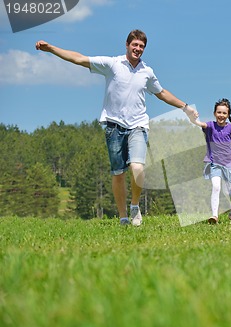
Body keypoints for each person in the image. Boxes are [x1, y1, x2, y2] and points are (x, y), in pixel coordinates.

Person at [35, 29, 198, 226]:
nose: (138, 49)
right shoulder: (112, 64)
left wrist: (185, 107)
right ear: (127, 45)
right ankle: (123, 217)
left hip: (138, 125)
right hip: (113, 127)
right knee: (118, 173)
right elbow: (79, 59)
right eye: (135, 45)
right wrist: (51, 49)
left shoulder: (147, 71)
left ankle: (135, 206)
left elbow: (161, 93)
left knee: (137, 167)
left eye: (142, 47)